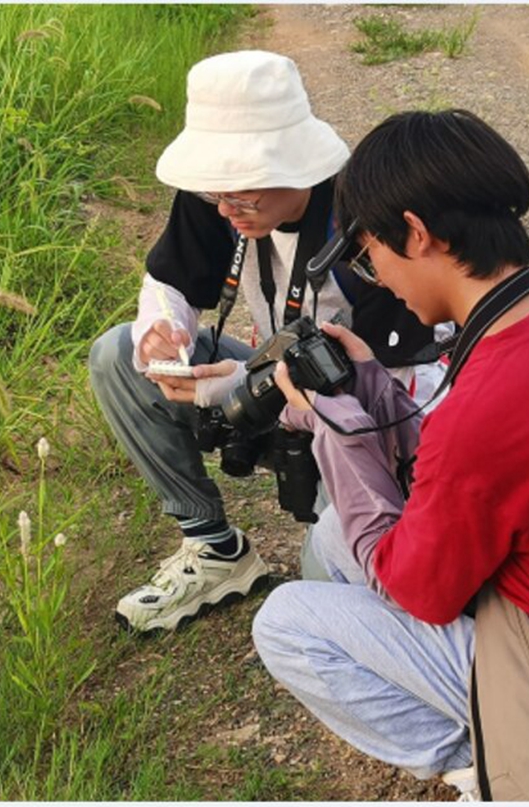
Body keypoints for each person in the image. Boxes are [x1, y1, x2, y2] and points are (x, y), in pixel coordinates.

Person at [251, 109, 529, 798]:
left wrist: (341, 428)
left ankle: (494, 765)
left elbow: (415, 587)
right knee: (333, 535)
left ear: (415, 234)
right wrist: (373, 392)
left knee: (288, 624)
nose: (377, 279)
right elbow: (481, 475)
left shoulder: (490, 401)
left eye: (368, 256)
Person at [89, 51, 441, 633]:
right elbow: (169, 278)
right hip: (266, 374)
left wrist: (253, 388)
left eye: (245, 198)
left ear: (297, 167)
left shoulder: (361, 218)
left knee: (330, 583)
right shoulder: (219, 198)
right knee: (115, 355)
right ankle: (213, 550)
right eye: (214, 196)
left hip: (347, 409)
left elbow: (398, 390)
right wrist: (165, 327)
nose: (226, 212)